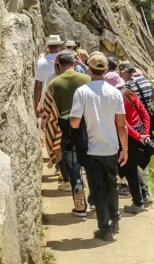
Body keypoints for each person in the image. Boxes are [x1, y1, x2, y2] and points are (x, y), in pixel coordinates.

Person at [70, 52, 127, 241]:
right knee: (112, 185)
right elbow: (121, 125)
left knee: (98, 189)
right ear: (106, 70)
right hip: (112, 147)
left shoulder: (82, 92)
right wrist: (125, 149)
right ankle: (115, 220)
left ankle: (105, 228)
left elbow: (74, 123)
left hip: (92, 148)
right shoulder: (115, 93)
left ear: (89, 69)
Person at [44, 50, 91, 216]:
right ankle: (95, 202)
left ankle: (80, 206)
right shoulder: (87, 79)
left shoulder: (54, 84)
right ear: (75, 62)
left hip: (67, 133)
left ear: (58, 65)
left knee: (74, 170)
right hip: (89, 130)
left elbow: (47, 112)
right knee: (92, 167)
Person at [106, 73, 152, 213]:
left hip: (127, 136)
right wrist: (145, 134)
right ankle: (145, 195)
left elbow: (122, 124)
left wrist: (139, 136)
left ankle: (138, 203)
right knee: (132, 167)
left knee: (129, 169)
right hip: (138, 133)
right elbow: (144, 114)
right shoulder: (130, 93)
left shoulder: (115, 98)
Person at [34, 35, 64, 113]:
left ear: (48, 47)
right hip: (62, 100)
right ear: (59, 47)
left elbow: (38, 86)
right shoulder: (64, 61)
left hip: (46, 100)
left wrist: (36, 105)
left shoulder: (41, 61)